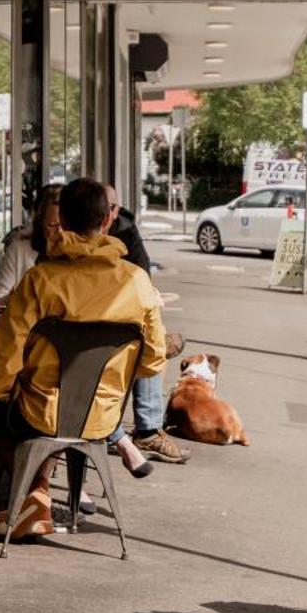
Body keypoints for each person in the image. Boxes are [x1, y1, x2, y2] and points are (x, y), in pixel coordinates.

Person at [0, 178, 168, 536]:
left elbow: (6, 353)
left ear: (63, 223)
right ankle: (38, 501)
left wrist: (4, 392)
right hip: (103, 418)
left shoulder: (40, 280)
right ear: (107, 221)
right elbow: (152, 360)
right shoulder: (136, 281)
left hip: (40, 414)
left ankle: (32, 498)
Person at [105, 184, 188, 466]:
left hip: (68, 385)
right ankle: (140, 431)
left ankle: (144, 430)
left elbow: (144, 276)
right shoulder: (47, 271)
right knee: (148, 345)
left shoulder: (126, 234)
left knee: (146, 339)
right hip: (76, 382)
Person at [0, 183, 62, 301]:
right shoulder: (18, 250)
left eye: (65, 226)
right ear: (40, 223)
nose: (60, 232)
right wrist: (21, 295)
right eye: (52, 225)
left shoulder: (81, 253)